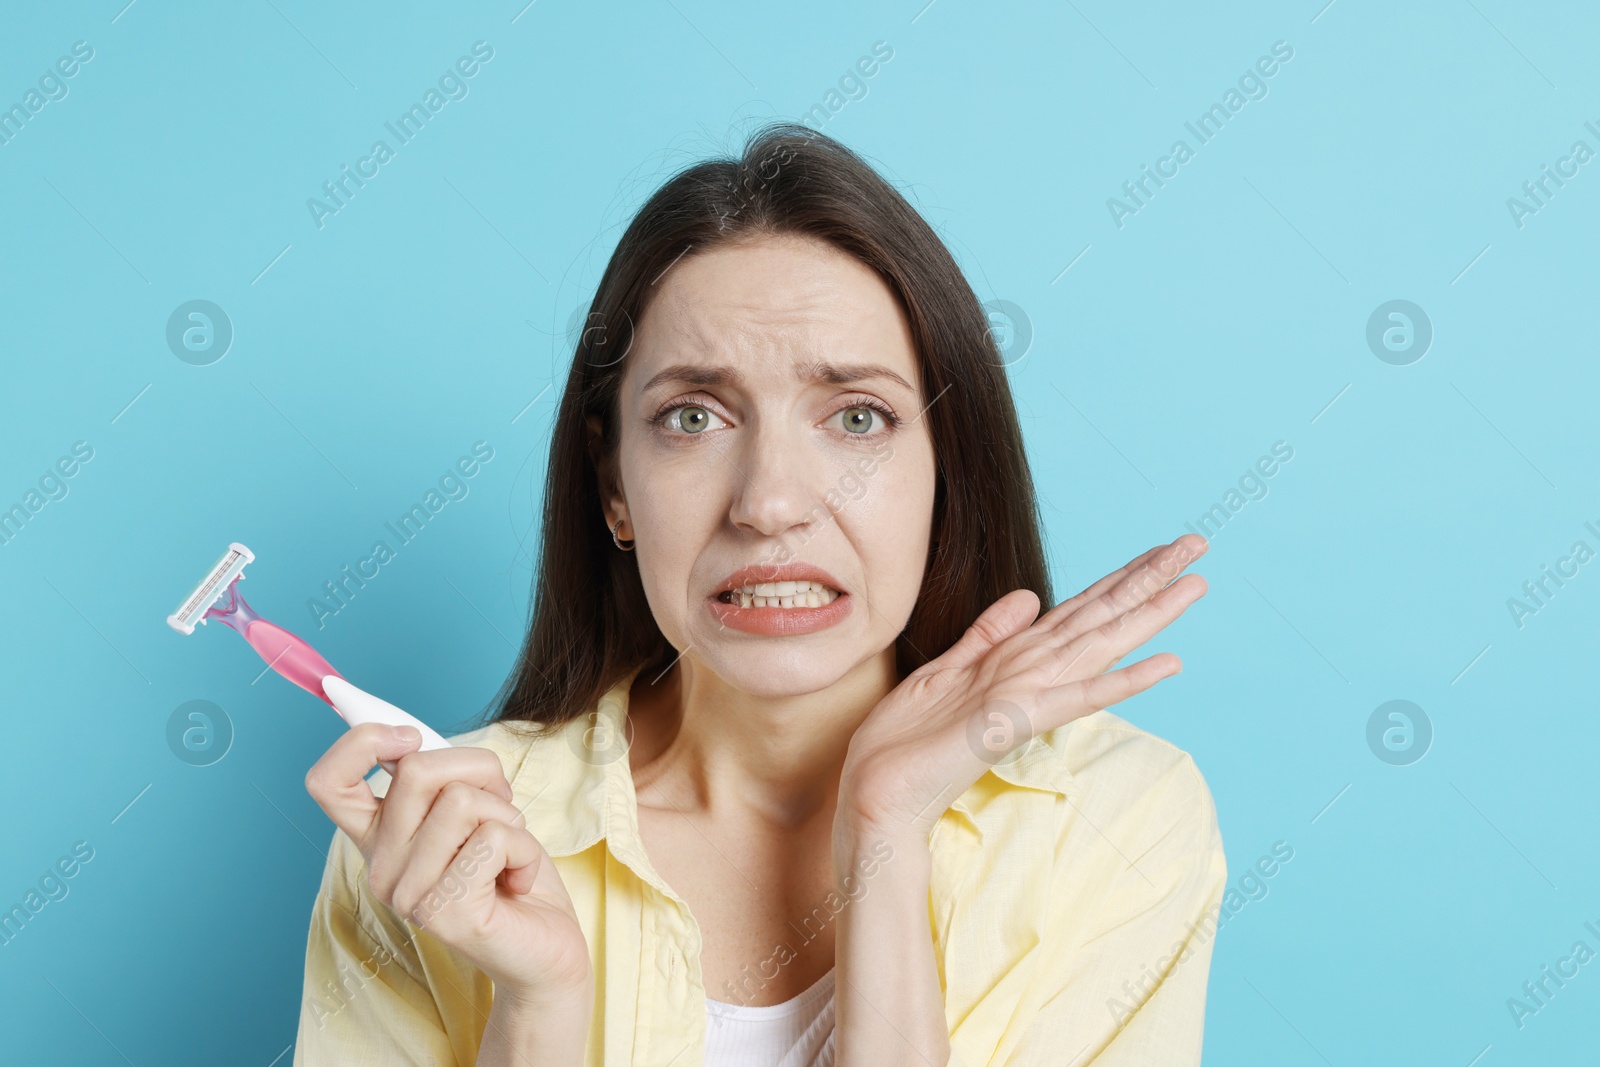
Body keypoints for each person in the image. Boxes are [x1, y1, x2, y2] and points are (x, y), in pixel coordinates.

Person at [294, 122, 1225, 1067]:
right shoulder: (434, 840)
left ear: (948, 474)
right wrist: (537, 1009)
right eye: (692, 417)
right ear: (614, 486)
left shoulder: (1115, 822)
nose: (771, 503)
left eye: (857, 417)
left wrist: (885, 826)